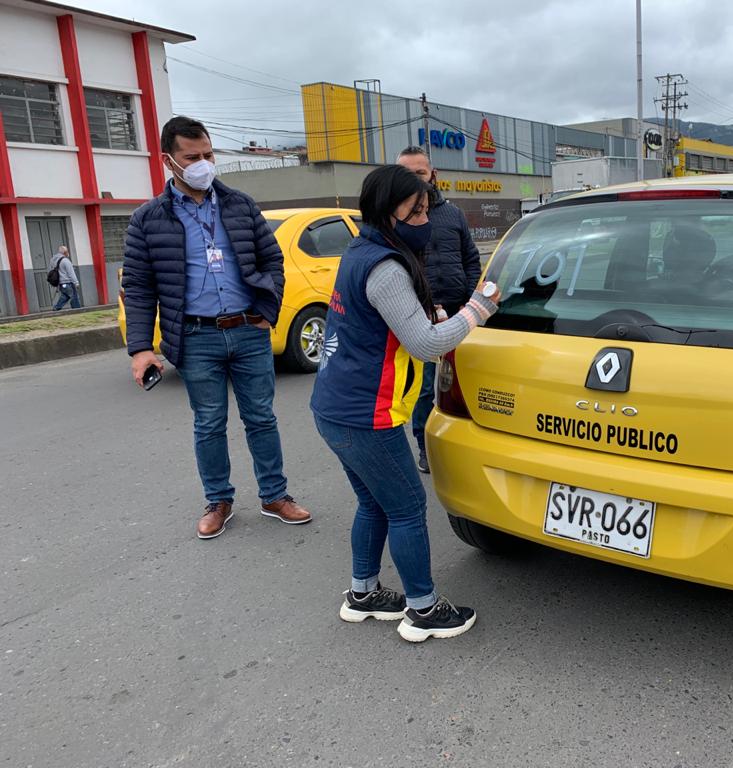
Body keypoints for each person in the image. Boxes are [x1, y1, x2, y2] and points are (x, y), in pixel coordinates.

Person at [310, 164, 499, 642]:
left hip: (335, 405)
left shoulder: (362, 251)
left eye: (426, 209)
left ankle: (363, 594)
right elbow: (426, 344)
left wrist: (430, 313)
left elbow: (387, 321)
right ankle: (423, 609)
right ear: (385, 212)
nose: (425, 220)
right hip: (364, 414)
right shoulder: (386, 268)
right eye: (414, 211)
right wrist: (477, 309)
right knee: (409, 506)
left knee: (374, 503)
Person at [122, 116, 311, 540]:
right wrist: (141, 348)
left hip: (248, 329)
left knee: (261, 417)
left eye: (208, 154)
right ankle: (218, 501)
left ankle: (275, 495)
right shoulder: (147, 219)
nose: (203, 164)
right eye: (192, 157)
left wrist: (268, 308)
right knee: (208, 422)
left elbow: (272, 260)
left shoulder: (240, 204)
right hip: (195, 336)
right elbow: (138, 287)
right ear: (168, 160)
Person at [395, 146, 481, 474]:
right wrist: (423, 306)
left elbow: (470, 258)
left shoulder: (453, 214)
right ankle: (424, 447)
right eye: (406, 174)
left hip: (461, 315)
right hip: (422, 318)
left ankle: (468, 446)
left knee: (465, 386)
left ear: (433, 175)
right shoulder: (398, 218)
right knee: (423, 391)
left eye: (419, 173)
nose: (414, 180)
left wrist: (470, 300)